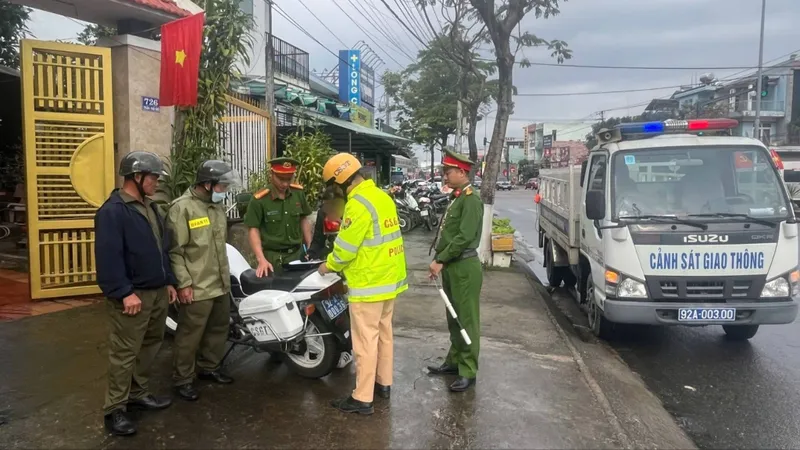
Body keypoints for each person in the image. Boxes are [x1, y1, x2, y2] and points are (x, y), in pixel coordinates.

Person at [94, 151, 179, 436]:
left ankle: (139, 393)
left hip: (156, 292)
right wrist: (123, 292)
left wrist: (168, 280)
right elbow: (108, 258)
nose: (156, 183)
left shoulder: (151, 208)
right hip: (132, 296)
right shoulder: (112, 211)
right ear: (136, 177)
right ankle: (114, 410)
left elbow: (160, 249)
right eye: (153, 177)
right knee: (124, 352)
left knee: (151, 344)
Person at [319, 153, 408, 415]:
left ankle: (362, 398)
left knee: (365, 342)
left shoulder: (357, 205)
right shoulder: (382, 196)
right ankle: (383, 383)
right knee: (384, 335)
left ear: (340, 181)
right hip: (390, 280)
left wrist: (328, 265)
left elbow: (345, 249)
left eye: (332, 185)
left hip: (369, 284)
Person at [166, 160, 241, 401]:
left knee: (219, 328)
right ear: (207, 184)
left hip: (219, 282)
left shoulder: (215, 207)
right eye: (222, 186)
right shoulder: (182, 208)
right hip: (196, 286)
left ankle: (209, 367)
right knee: (190, 334)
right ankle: (183, 379)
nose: (225, 191)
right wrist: (184, 284)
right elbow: (175, 251)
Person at [427, 149, 484, 393]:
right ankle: (454, 361)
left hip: (463, 267)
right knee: (454, 317)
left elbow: (464, 237)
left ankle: (468, 370)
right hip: (453, 266)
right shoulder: (457, 197)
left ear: (462, 172)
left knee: (466, 320)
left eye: (448, 172)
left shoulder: (471, 199)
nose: (445, 176)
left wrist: (440, 259)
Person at [243, 157, 312, 275]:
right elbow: (253, 229)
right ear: (272, 174)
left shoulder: (298, 194)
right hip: (272, 260)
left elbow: (303, 219)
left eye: (289, 179)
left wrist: (310, 246)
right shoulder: (260, 200)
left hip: (297, 255)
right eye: (281, 179)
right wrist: (261, 259)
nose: (285, 184)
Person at [306, 185, 345, 261]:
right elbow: (318, 240)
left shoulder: (350, 213)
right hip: (328, 259)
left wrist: (342, 225)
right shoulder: (322, 214)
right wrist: (310, 254)